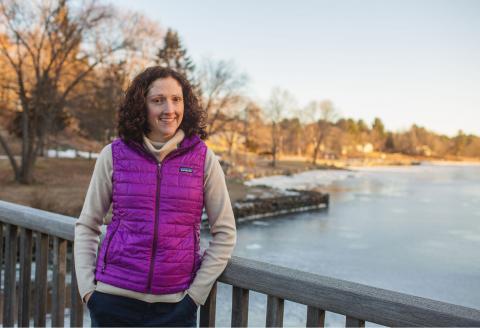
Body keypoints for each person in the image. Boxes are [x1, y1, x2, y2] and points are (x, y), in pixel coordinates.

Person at [74, 66, 237, 327]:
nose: (169, 109)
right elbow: (88, 224)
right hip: (113, 302)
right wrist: (88, 291)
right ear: (142, 105)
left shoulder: (203, 158)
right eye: (158, 100)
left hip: (174, 309)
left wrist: (194, 297)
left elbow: (226, 232)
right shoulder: (114, 154)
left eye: (176, 99)